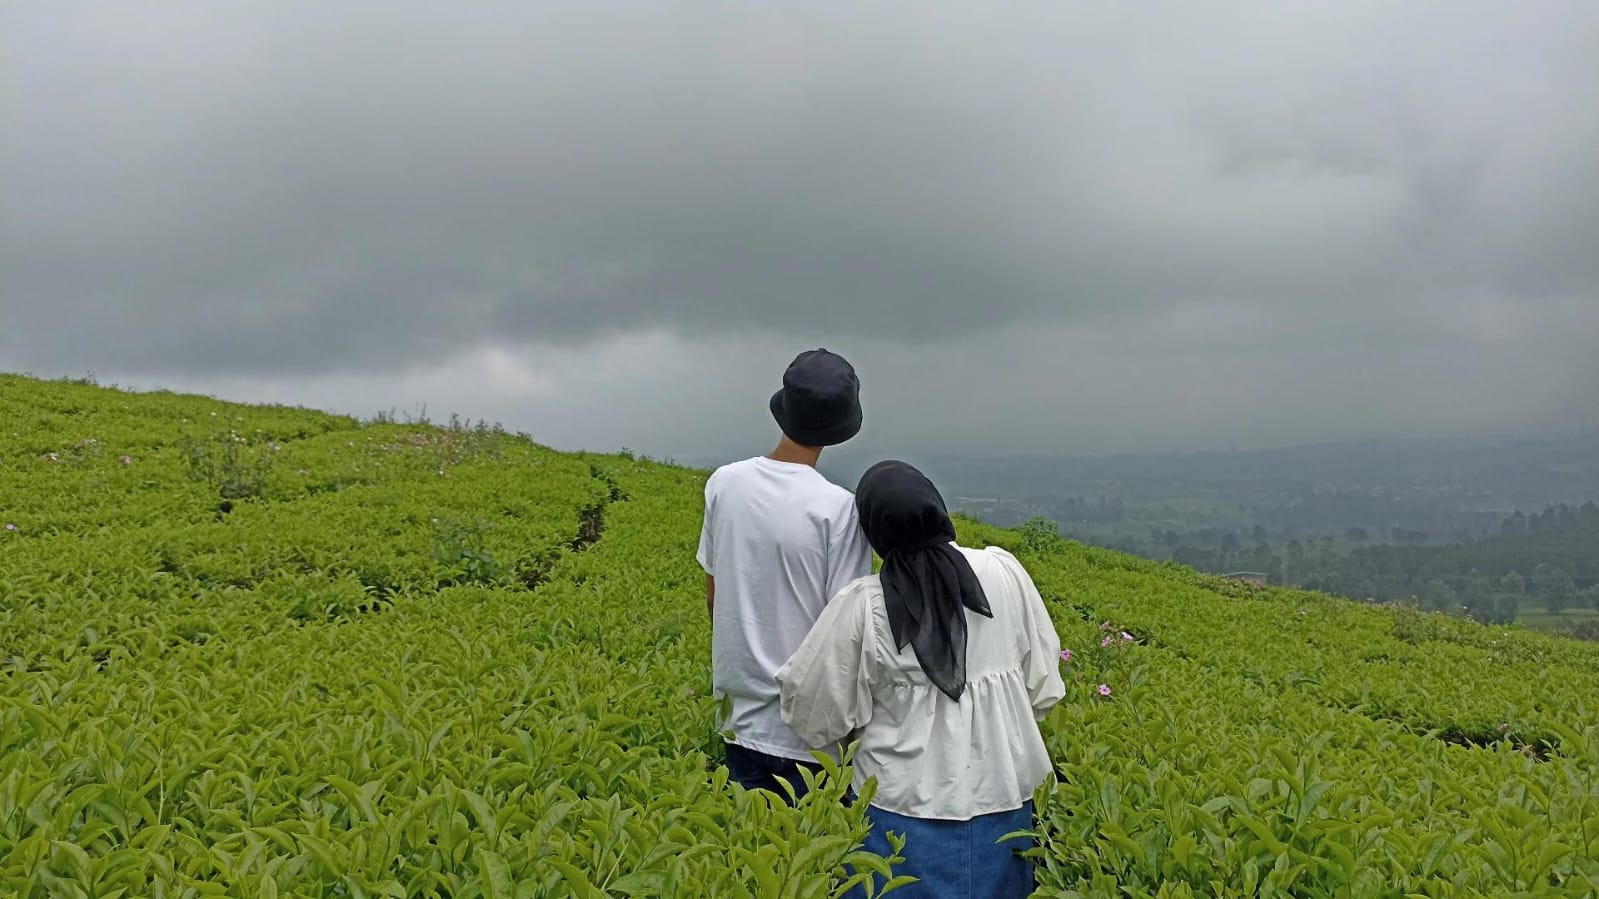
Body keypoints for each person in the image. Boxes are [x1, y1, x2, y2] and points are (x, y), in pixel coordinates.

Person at [776, 460, 1065, 898]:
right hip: (1006, 803)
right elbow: (1042, 685)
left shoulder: (864, 604)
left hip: (898, 813)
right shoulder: (1003, 574)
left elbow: (812, 711)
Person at [698, 348, 874, 801]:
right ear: (839, 428)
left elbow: (714, 596)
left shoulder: (724, 483)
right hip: (809, 735)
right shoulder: (840, 510)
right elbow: (845, 631)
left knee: (745, 840)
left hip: (736, 718)